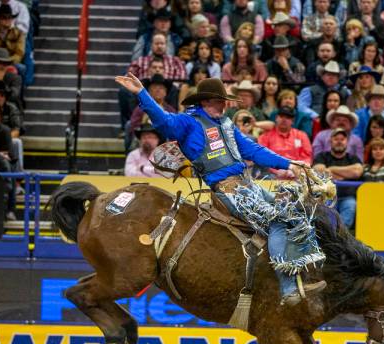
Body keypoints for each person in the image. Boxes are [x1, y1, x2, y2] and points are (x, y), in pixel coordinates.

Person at [116, 72, 326, 306]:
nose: (225, 104)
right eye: (220, 100)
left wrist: (290, 164)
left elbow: (252, 149)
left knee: (295, 213)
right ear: (205, 102)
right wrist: (142, 93)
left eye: (225, 100)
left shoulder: (226, 124)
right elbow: (163, 121)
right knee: (277, 220)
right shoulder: (188, 123)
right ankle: (288, 288)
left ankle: (303, 275)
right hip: (228, 190)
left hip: (248, 186)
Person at [312, 127, 363, 229]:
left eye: (342, 139)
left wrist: (331, 169)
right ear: (330, 141)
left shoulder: (353, 158)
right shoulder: (321, 156)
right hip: (327, 196)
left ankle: (340, 237)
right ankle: (332, 237)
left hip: (348, 197)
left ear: (347, 142)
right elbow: (319, 171)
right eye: (336, 139)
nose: (339, 142)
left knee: (351, 206)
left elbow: (357, 171)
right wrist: (346, 173)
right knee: (325, 210)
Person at [258, 106, 313, 179]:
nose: (284, 120)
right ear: (276, 118)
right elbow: (263, 157)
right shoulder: (265, 136)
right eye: (281, 116)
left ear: (292, 121)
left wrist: (297, 169)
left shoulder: (301, 135)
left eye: (287, 117)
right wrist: (276, 171)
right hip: (272, 173)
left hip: (298, 172)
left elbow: (307, 156)